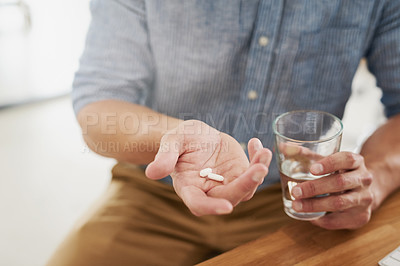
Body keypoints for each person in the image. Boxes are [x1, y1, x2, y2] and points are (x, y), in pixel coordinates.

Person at [47, 1, 400, 265]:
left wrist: (377, 174)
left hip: (298, 200)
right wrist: (178, 138)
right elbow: (99, 108)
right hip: (153, 194)